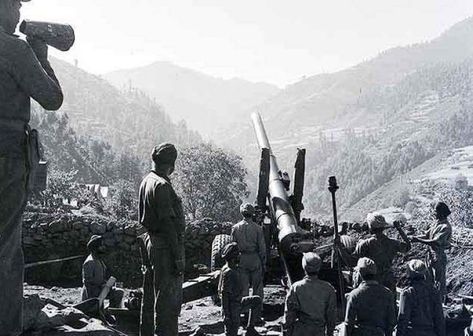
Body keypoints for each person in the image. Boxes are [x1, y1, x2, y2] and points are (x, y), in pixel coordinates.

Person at [0, 0, 63, 334]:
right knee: (7, 254)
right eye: (13, 6)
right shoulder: (15, 51)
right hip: (7, 161)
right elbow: (52, 99)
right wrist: (41, 56)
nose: (18, 15)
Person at [138, 143, 186, 336]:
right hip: (165, 247)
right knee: (167, 302)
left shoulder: (147, 181)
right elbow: (167, 224)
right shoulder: (162, 185)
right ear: (171, 164)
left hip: (151, 242)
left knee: (149, 298)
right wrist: (178, 257)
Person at [339, 213, 411, 291]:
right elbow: (407, 247)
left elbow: (351, 262)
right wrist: (399, 229)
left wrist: (340, 248)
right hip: (388, 284)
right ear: (383, 227)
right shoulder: (392, 243)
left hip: (371, 285)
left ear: (371, 227)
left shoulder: (365, 244)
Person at [284, 252, 337, 336]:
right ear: (319, 267)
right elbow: (331, 316)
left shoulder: (296, 287)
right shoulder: (328, 289)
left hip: (301, 331)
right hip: (319, 332)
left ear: (304, 267)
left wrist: (287, 331)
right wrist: (330, 333)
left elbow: (290, 314)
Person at [231, 202, 267, 325]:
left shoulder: (235, 228)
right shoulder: (258, 228)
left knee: (243, 288)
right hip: (254, 258)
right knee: (257, 288)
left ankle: (245, 313)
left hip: (242, 259)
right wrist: (263, 262)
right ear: (252, 214)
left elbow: (233, 246)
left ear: (242, 213)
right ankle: (256, 315)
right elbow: (262, 248)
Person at [341, 257, 396, 336]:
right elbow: (391, 321)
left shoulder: (355, 295)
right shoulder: (387, 293)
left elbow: (349, 323)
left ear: (359, 273)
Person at [218, 242, 262, 336]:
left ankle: (250, 328)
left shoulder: (229, 269)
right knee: (231, 333)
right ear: (234, 257)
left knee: (256, 300)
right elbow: (224, 294)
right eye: (238, 254)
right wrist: (226, 315)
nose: (240, 256)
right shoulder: (229, 272)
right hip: (232, 307)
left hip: (238, 302)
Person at [412, 202, 452, 301]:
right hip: (430, 255)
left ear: (441, 213)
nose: (434, 213)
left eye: (436, 211)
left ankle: (441, 302)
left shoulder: (445, 227)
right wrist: (414, 238)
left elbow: (435, 242)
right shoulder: (436, 223)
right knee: (428, 279)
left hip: (438, 256)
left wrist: (418, 240)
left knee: (439, 281)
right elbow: (427, 235)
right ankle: (431, 301)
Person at [396, 259, 445, 336]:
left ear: (410, 273)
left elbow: (403, 320)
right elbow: (439, 319)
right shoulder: (434, 292)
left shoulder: (407, 293)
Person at [81, 235, 124, 308]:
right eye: (101, 246)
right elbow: (88, 283)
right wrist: (102, 286)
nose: (103, 247)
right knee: (117, 292)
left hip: (102, 289)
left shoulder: (98, 259)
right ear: (95, 248)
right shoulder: (90, 262)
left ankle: (110, 311)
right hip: (93, 293)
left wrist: (107, 284)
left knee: (119, 292)